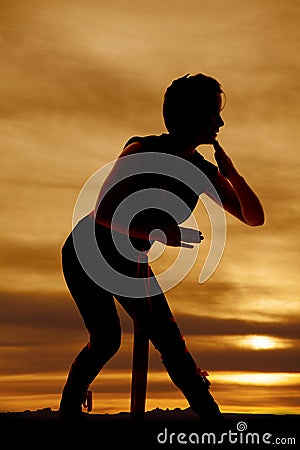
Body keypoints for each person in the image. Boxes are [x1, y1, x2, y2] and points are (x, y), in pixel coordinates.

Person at [59, 73, 265, 425]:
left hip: (131, 259)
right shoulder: (141, 149)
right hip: (86, 250)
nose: (220, 122)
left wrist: (233, 175)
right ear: (191, 115)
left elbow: (254, 217)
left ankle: (213, 420)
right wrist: (157, 231)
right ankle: (69, 411)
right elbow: (105, 211)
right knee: (106, 340)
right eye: (213, 113)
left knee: (169, 338)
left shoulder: (204, 171)